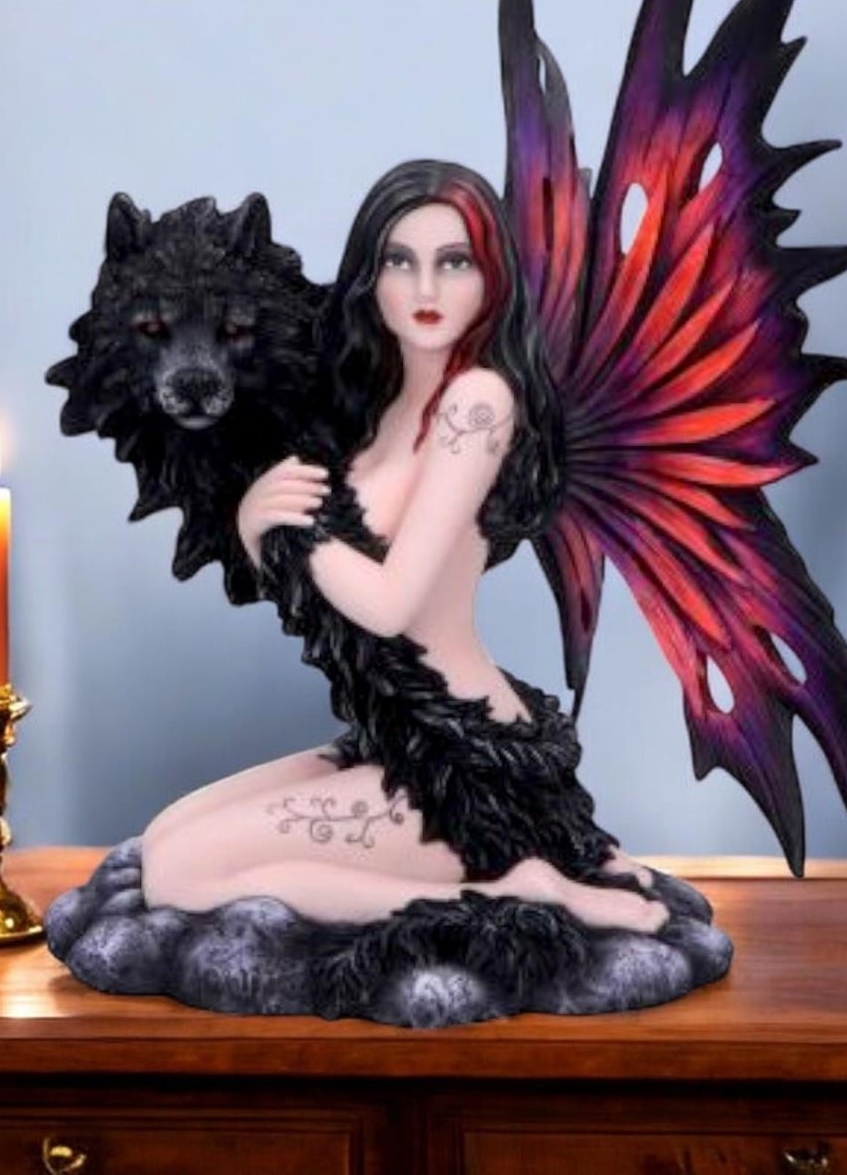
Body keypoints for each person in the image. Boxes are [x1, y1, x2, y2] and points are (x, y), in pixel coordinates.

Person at [139, 160, 665, 934]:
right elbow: (321, 588)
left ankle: (519, 892)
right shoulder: (381, 402)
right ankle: (530, 873)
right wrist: (250, 518)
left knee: (179, 873)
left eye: (453, 262)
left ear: (491, 277)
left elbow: (388, 604)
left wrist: (285, 525)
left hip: (463, 762)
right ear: (369, 275)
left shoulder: (477, 402)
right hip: (392, 735)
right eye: (399, 260)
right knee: (161, 838)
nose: (425, 289)